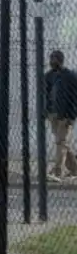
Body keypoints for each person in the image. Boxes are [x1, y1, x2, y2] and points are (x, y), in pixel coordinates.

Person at [45, 50, 77, 179]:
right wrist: (46, 112)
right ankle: (75, 169)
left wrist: (71, 116)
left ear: (60, 60)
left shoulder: (70, 76)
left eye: (54, 59)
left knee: (61, 142)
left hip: (65, 115)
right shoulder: (48, 76)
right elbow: (45, 95)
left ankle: (57, 171)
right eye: (51, 59)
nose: (52, 62)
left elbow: (74, 97)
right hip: (53, 114)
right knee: (62, 143)